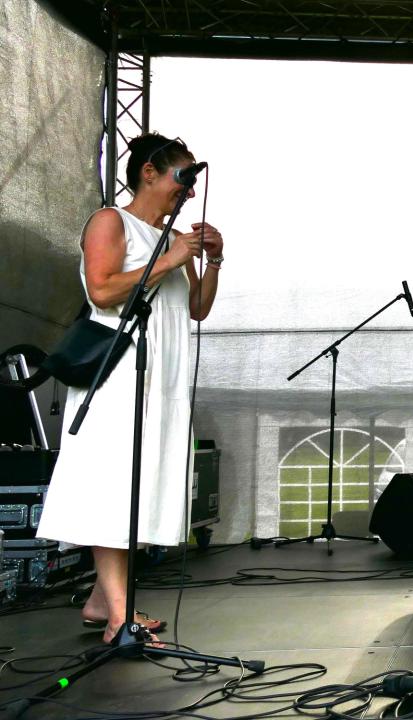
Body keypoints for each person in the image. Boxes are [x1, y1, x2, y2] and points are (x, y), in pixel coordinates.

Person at [36, 133, 224, 644]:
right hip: (119, 376)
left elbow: (197, 308)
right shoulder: (110, 222)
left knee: (146, 486)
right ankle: (119, 618)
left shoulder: (173, 239)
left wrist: (213, 261)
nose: (188, 190)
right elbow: (102, 290)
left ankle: (104, 600)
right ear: (149, 172)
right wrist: (171, 257)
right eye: (182, 177)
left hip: (163, 378)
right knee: (114, 486)